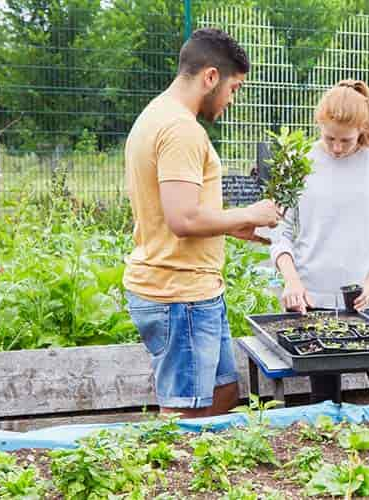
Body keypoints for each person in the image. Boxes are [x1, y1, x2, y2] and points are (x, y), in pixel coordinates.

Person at [123, 28, 280, 418]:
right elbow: (182, 218)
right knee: (185, 415)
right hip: (179, 295)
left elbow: (177, 210)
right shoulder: (180, 130)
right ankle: (165, 478)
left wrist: (230, 226)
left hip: (192, 292)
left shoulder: (157, 115)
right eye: (234, 88)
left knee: (223, 392)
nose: (231, 99)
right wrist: (249, 213)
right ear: (210, 77)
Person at [270, 79, 369, 405]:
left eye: (345, 140)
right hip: (312, 303)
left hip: (368, 302)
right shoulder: (297, 161)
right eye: (329, 138)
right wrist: (292, 281)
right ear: (319, 124)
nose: (336, 147)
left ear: (363, 128)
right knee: (324, 405)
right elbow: (279, 232)